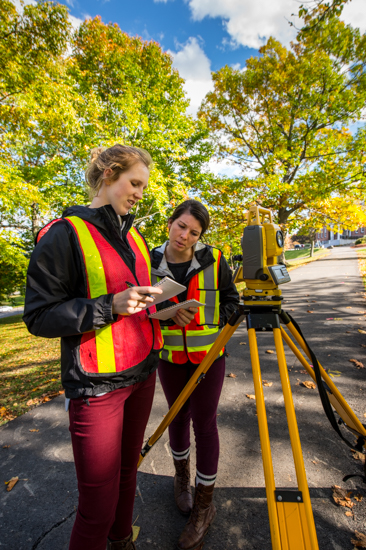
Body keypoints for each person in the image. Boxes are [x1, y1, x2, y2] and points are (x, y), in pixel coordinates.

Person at [23, 144, 164, 550]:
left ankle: (122, 542)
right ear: (108, 174)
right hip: (96, 387)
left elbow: (136, 303)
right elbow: (39, 316)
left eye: (143, 187)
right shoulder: (63, 234)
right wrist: (109, 307)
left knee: (127, 475)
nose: (139, 193)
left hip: (142, 373)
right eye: (134, 182)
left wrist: (162, 310)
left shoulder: (135, 235)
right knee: (96, 508)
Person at [150, 200, 240, 550]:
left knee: (205, 423)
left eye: (194, 232)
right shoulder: (147, 259)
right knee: (177, 417)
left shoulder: (215, 260)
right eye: (181, 226)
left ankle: (204, 506)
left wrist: (212, 321)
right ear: (170, 222)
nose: (185, 236)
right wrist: (167, 313)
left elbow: (233, 303)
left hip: (208, 359)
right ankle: (182, 480)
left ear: (202, 235)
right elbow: (141, 304)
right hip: (170, 357)